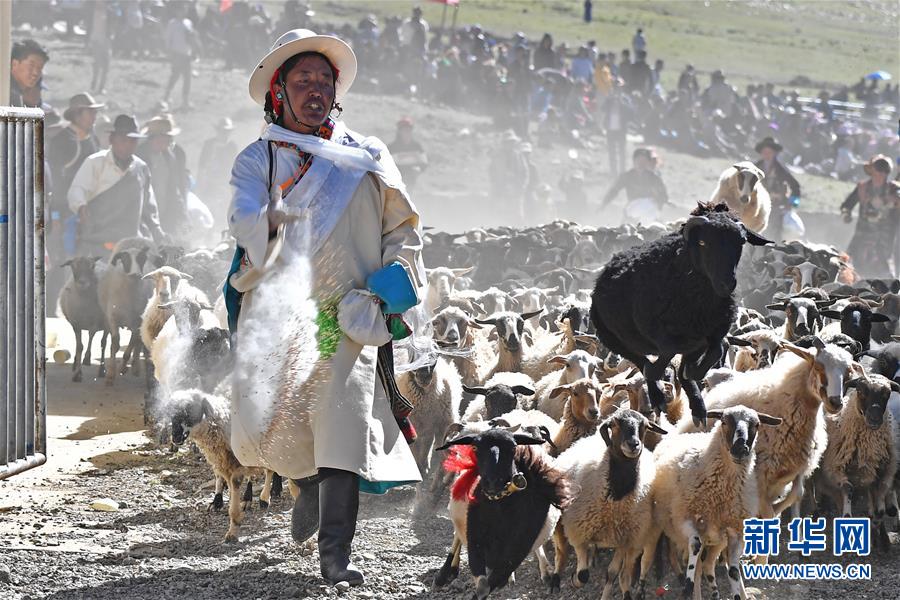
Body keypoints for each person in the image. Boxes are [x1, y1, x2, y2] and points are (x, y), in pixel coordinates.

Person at [227, 29, 424, 586]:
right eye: (302, 80)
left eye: (324, 80)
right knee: (278, 426)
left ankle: (336, 554)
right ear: (279, 92)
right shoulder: (258, 161)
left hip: (349, 314)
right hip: (281, 316)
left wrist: (394, 279)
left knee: (342, 427)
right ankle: (308, 484)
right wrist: (272, 219)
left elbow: (403, 229)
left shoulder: (367, 156)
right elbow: (243, 222)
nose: (315, 89)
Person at [68, 115, 166, 257]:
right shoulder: (95, 162)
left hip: (130, 244)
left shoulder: (141, 168)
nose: (127, 145)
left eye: (132, 141)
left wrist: (157, 230)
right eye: (123, 140)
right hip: (96, 242)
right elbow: (77, 189)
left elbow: (149, 207)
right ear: (112, 140)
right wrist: (81, 206)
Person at [46, 92, 105, 304]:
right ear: (78, 114)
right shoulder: (62, 141)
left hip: (87, 212)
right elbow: (54, 183)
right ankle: (51, 307)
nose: (94, 117)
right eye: (90, 112)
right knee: (60, 260)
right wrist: (55, 217)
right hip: (64, 213)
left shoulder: (92, 139)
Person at [840, 155, 900, 278]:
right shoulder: (862, 187)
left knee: (883, 266)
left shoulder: (893, 189)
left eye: (884, 171)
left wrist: (887, 201)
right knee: (849, 262)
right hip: (862, 232)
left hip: (884, 235)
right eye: (879, 170)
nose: (881, 174)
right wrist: (846, 214)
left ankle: (888, 285)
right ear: (872, 171)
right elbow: (847, 205)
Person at [137, 115, 191, 244]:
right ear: (154, 138)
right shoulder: (139, 157)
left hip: (165, 215)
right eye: (165, 137)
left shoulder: (169, 157)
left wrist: (183, 214)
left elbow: (174, 189)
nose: (168, 141)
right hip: (143, 217)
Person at [601, 147, 669, 223]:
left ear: (648, 163)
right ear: (634, 161)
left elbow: (663, 196)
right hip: (632, 210)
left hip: (650, 211)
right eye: (639, 160)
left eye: (644, 161)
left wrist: (658, 201)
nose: (641, 164)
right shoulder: (627, 176)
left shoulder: (654, 178)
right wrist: (604, 204)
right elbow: (614, 190)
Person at [754, 137, 801, 242]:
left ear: (774, 153)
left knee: (775, 228)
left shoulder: (781, 170)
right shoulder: (755, 167)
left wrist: (793, 204)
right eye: (764, 152)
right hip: (757, 204)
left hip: (777, 205)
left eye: (769, 152)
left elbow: (795, 186)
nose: (767, 155)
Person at [198, 116, 239, 227]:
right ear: (218, 131)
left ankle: (221, 228)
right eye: (223, 131)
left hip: (225, 182)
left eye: (227, 131)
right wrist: (201, 182)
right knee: (209, 207)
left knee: (224, 208)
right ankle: (209, 230)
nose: (225, 134)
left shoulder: (232, 146)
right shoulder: (209, 145)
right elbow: (202, 166)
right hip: (209, 182)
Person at [163, 3, 198, 110]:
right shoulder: (172, 23)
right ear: (176, 11)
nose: (183, 12)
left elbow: (192, 38)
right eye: (181, 10)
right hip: (176, 53)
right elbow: (168, 38)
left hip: (186, 53)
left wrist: (193, 50)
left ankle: (185, 101)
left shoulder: (188, 22)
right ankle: (166, 97)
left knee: (187, 78)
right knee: (175, 76)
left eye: (184, 9)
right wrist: (169, 51)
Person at [602, 80, 634, 176]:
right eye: (615, 87)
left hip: (621, 129)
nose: (617, 89)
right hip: (610, 128)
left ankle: (622, 171)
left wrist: (621, 102)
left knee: (622, 151)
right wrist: (610, 100)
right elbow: (602, 109)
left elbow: (631, 111)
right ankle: (613, 171)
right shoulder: (609, 99)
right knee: (612, 151)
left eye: (619, 88)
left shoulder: (625, 99)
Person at [388, 117, 428, 191]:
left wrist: (419, 169)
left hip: (412, 180)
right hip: (396, 180)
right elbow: (386, 165)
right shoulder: (391, 148)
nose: (407, 132)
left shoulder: (417, 147)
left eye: (409, 130)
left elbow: (424, 162)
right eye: (405, 130)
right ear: (399, 131)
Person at [10, 39, 49, 108]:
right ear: (15, 64)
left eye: (40, 68)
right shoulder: (6, 93)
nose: (35, 73)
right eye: (31, 66)